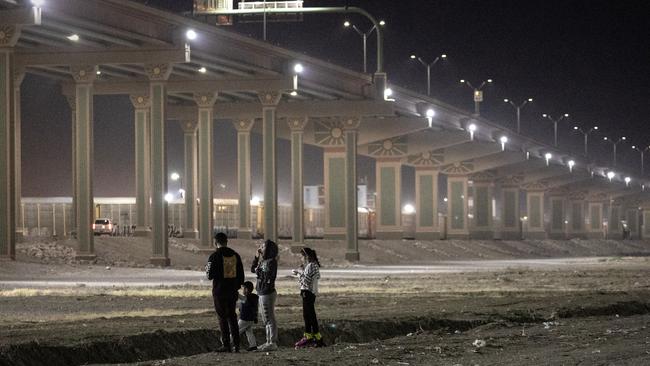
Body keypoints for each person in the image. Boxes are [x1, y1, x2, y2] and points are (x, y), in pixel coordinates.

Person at [206, 232, 245, 353]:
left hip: (219, 291)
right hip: (232, 291)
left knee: (222, 318)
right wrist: (235, 286)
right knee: (232, 317)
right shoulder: (235, 255)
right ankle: (237, 344)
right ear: (227, 241)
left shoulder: (214, 256)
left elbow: (209, 275)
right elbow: (241, 276)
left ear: (215, 242)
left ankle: (226, 345)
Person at [293, 247, 325, 348]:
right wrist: (302, 271)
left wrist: (298, 274)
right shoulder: (314, 265)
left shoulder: (310, 266)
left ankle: (309, 337)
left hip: (307, 293)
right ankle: (317, 337)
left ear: (306, 256)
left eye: (302, 256)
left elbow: (305, 282)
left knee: (308, 316)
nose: (301, 259)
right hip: (311, 293)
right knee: (311, 315)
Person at [251, 239, 279, 351]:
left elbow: (268, 276)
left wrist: (259, 272)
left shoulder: (272, 261)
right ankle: (268, 341)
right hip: (261, 292)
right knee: (265, 319)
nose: (261, 248)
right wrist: (256, 257)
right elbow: (253, 269)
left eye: (263, 247)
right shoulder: (263, 261)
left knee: (269, 318)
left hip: (267, 292)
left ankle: (272, 342)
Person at [235, 281, 259, 351]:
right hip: (250, 319)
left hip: (245, 319)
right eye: (243, 288)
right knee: (249, 332)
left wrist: (234, 291)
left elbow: (241, 298)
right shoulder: (254, 297)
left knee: (236, 331)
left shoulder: (249, 298)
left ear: (248, 289)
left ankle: (228, 343)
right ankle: (253, 345)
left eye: (244, 288)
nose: (243, 290)